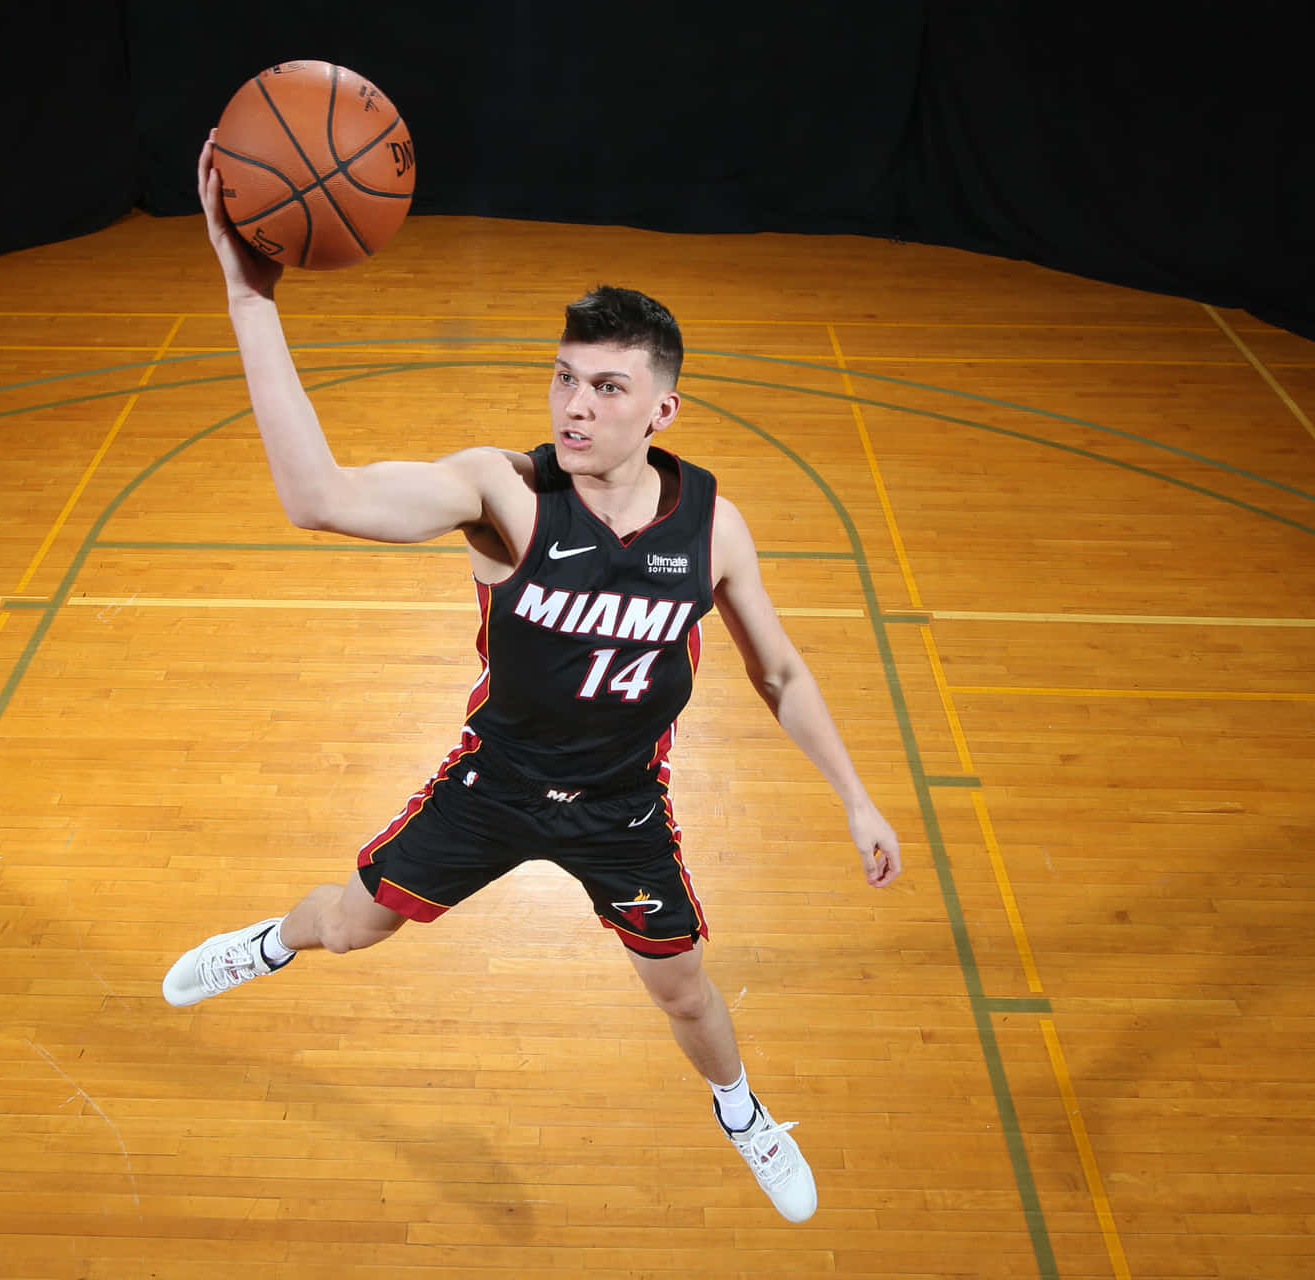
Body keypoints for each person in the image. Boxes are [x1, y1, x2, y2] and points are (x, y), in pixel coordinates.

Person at [163, 133, 903, 1224]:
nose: (575, 403)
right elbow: (316, 497)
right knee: (357, 924)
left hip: (621, 805)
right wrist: (249, 297)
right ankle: (268, 942)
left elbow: (780, 670)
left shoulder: (712, 526)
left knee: (684, 988)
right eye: (564, 376)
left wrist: (855, 794)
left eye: (608, 386)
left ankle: (743, 1111)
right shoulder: (505, 492)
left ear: (661, 411)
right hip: (497, 781)